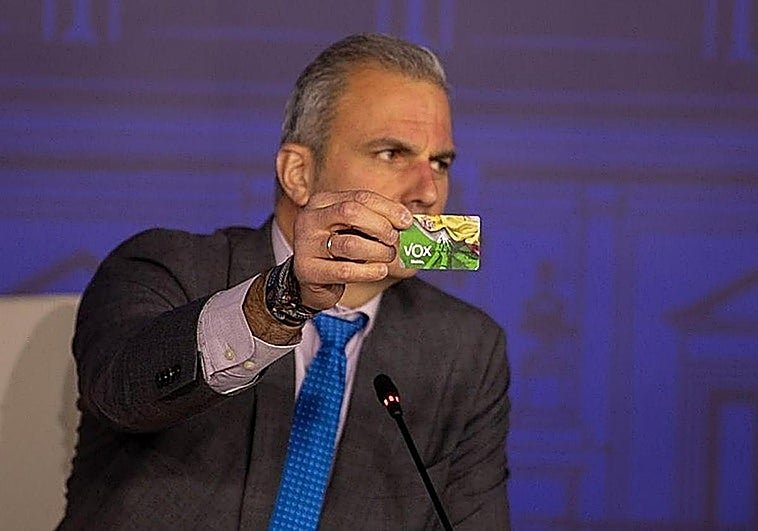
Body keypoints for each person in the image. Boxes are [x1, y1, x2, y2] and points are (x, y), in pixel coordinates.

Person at [60, 33, 510, 530]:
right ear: (299, 174)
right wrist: (282, 300)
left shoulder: (467, 349)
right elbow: (121, 393)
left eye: (440, 163)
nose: (428, 191)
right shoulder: (164, 267)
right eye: (391, 153)